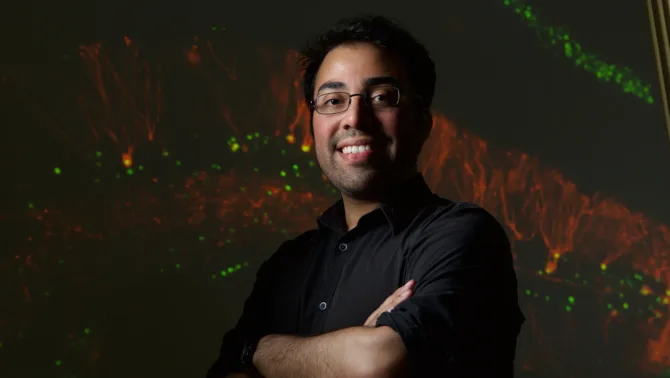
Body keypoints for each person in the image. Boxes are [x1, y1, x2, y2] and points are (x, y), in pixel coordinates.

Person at [206, 14, 525, 378]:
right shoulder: (286, 264)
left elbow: (375, 362)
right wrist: (350, 352)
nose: (355, 118)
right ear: (312, 124)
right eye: (332, 100)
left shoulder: (461, 236)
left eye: (382, 97)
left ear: (422, 122)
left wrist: (262, 349)